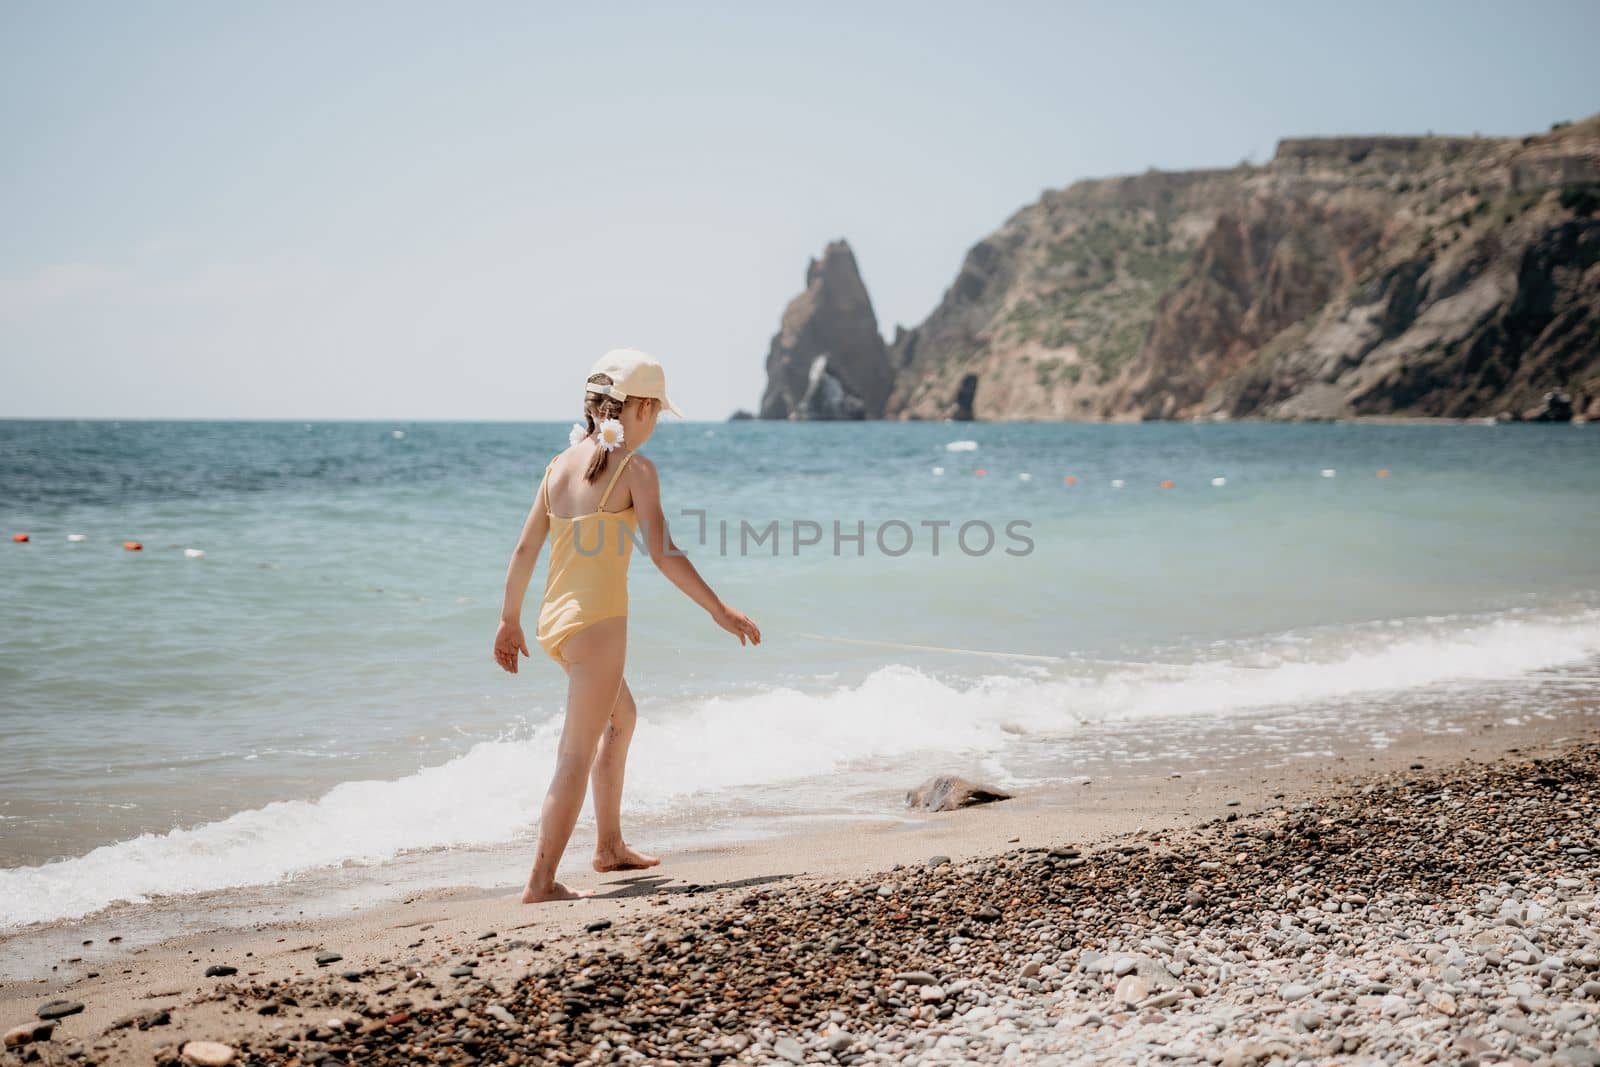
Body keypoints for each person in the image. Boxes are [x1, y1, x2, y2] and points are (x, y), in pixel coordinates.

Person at [493, 348, 761, 902]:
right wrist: (718, 609)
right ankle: (540, 882)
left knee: (622, 719)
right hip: (598, 628)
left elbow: (524, 550)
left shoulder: (558, 465)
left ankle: (609, 846)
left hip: (556, 624)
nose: (658, 421)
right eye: (657, 410)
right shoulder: (635, 469)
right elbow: (664, 554)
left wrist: (508, 621)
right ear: (637, 408)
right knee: (576, 753)